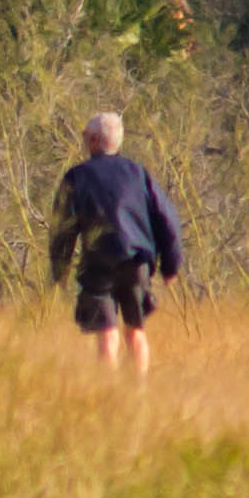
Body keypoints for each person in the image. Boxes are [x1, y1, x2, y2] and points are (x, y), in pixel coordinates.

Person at [50, 111, 184, 374]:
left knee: (107, 334)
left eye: (86, 136)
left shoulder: (77, 177)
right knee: (136, 331)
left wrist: (60, 270)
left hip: (98, 264)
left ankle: (110, 393)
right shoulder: (138, 174)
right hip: (136, 263)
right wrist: (171, 266)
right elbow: (167, 219)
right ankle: (139, 392)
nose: (83, 140)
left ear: (95, 141)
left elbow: (63, 229)